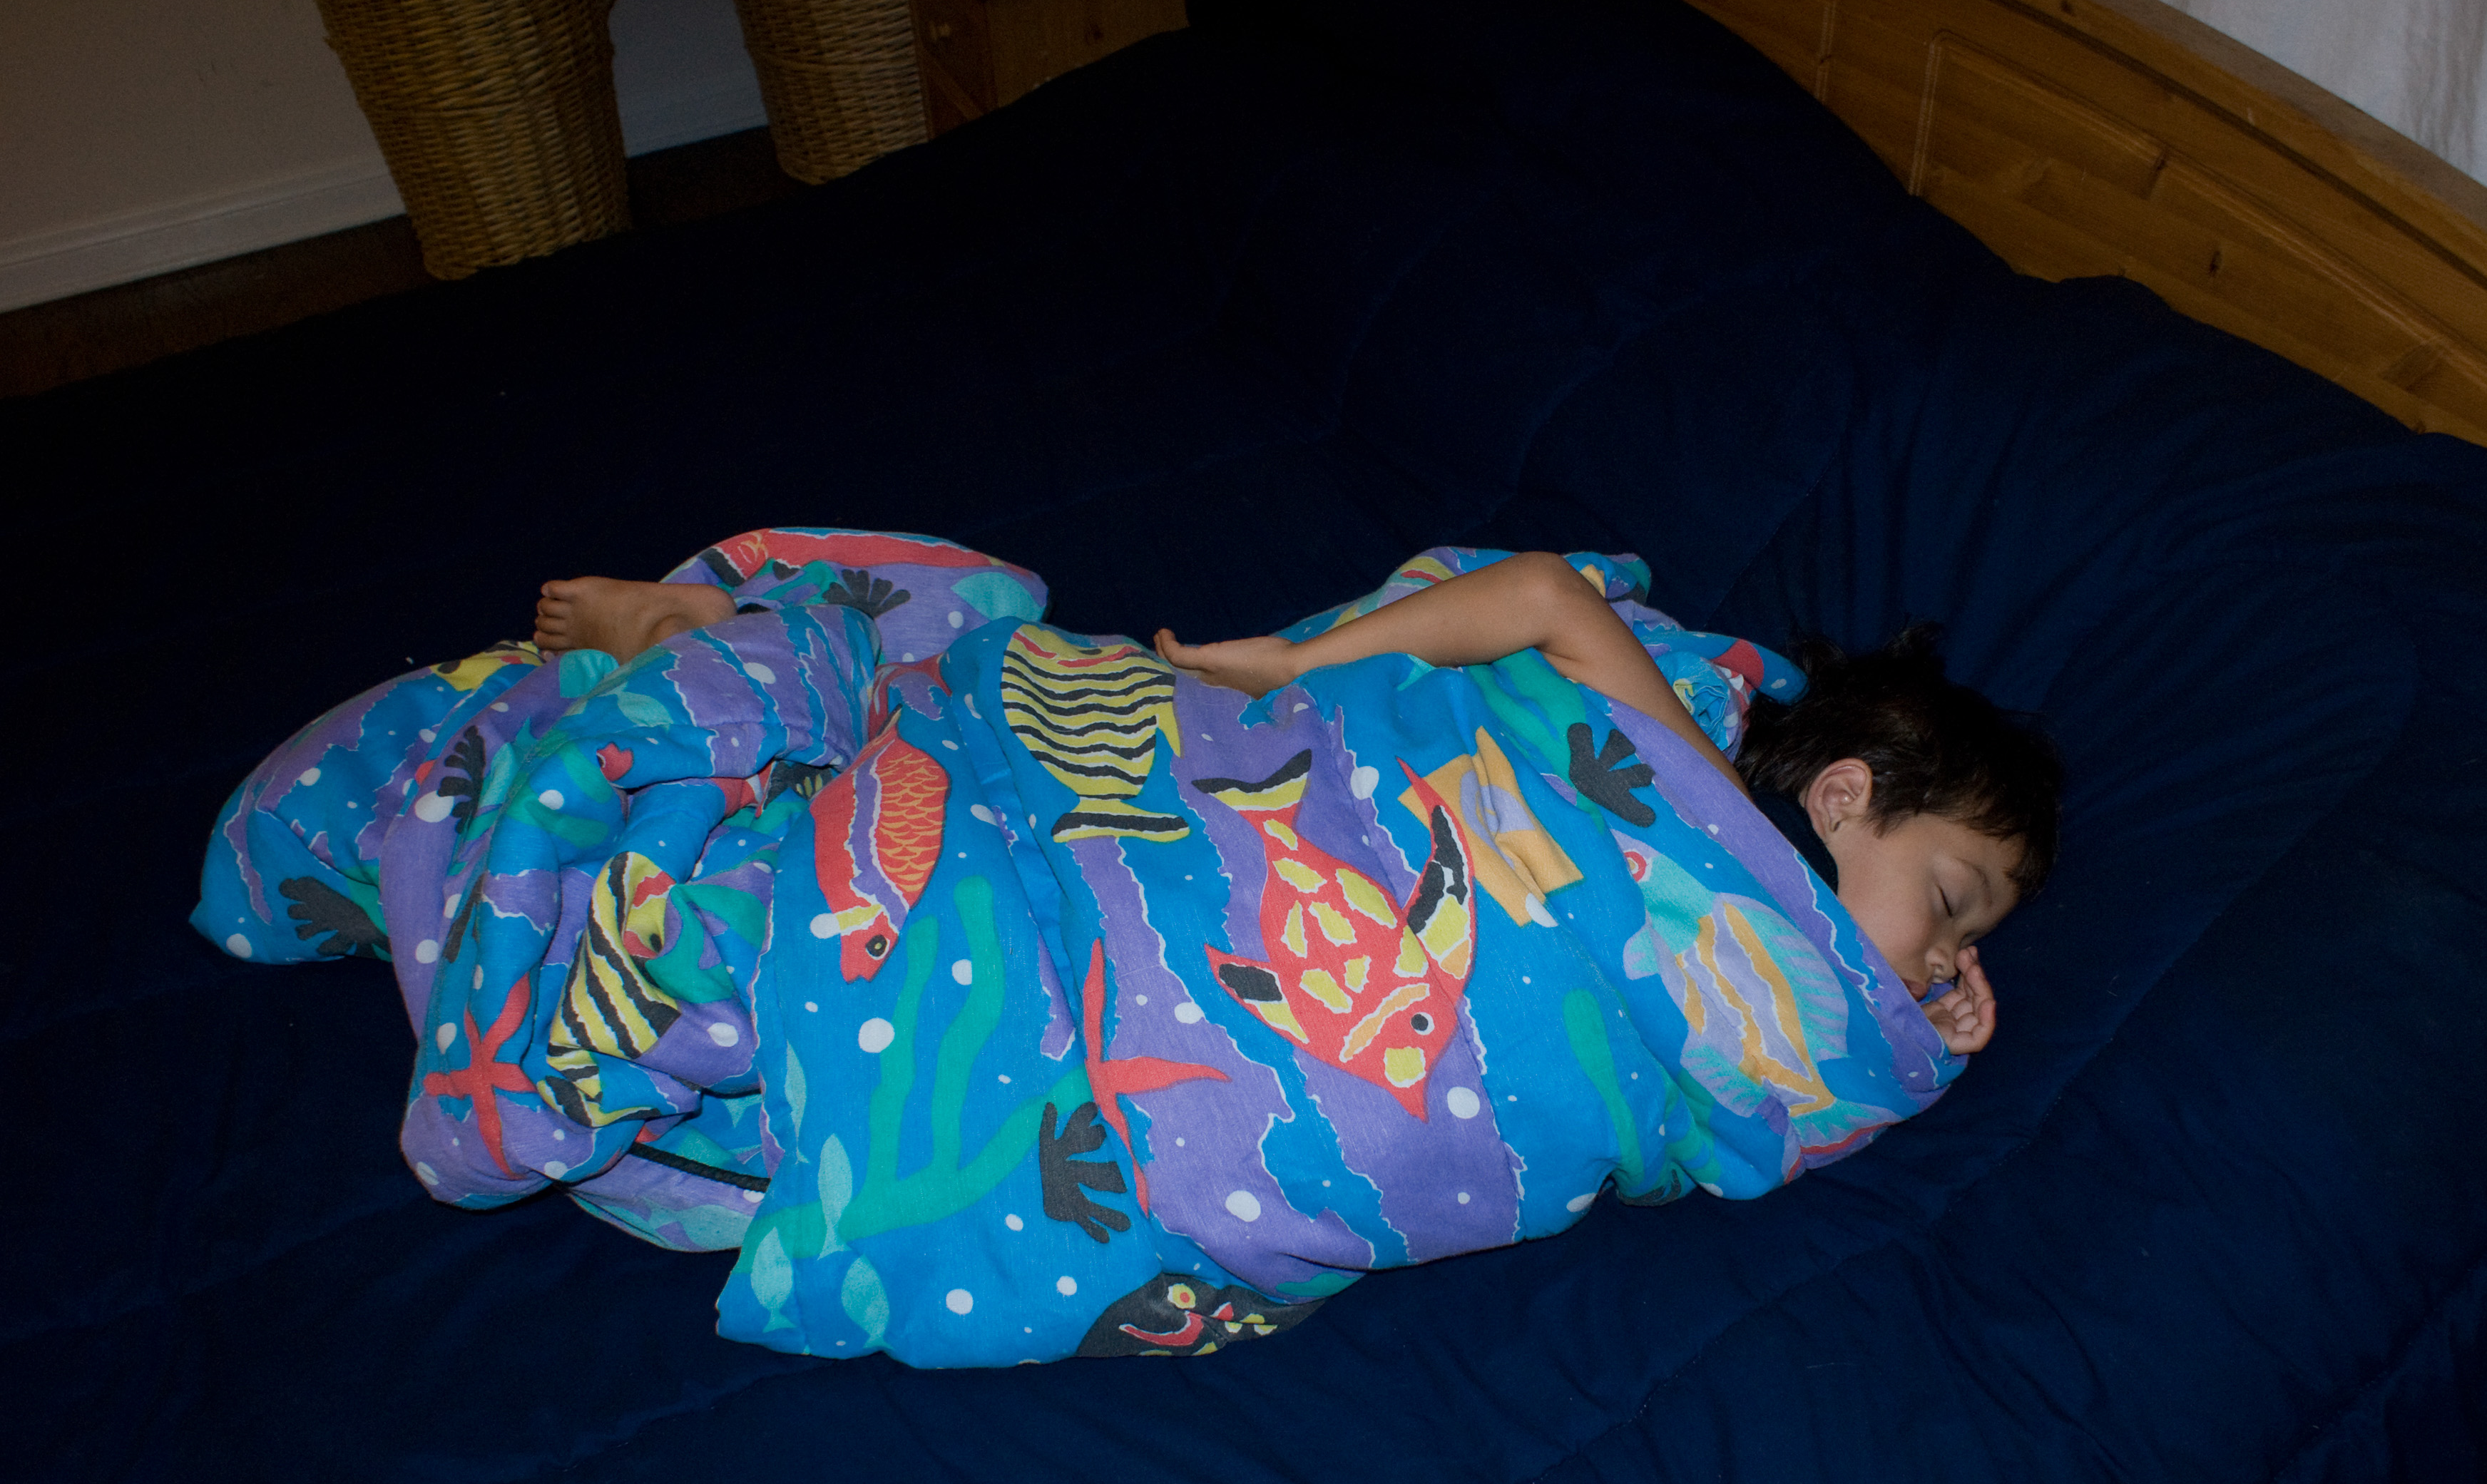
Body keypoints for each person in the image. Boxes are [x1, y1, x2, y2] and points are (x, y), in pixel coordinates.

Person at [533, 548, 2059, 1058]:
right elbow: (1543, 596)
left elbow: (1752, 1052)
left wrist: (1914, 1027)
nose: (1947, 954)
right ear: (1842, 794)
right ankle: (722, 644)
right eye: (1950, 904)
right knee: (944, 765)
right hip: (1291, 787)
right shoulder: (1703, 790)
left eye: (1968, 941)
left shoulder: (1776, 954)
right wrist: (1295, 664)